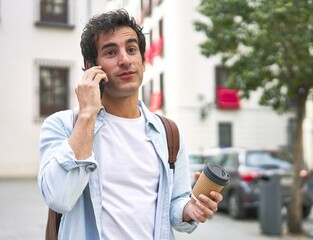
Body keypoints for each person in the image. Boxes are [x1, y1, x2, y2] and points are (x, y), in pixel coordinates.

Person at [38, 9, 223, 240]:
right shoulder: (63, 126)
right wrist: (87, 115)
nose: (125, 59)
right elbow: (59, 198)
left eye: (132, 49)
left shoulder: (168, 133)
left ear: (143, 61)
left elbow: (175, 203)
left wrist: (189, 210)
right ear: (92, 67)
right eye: (111, 52)